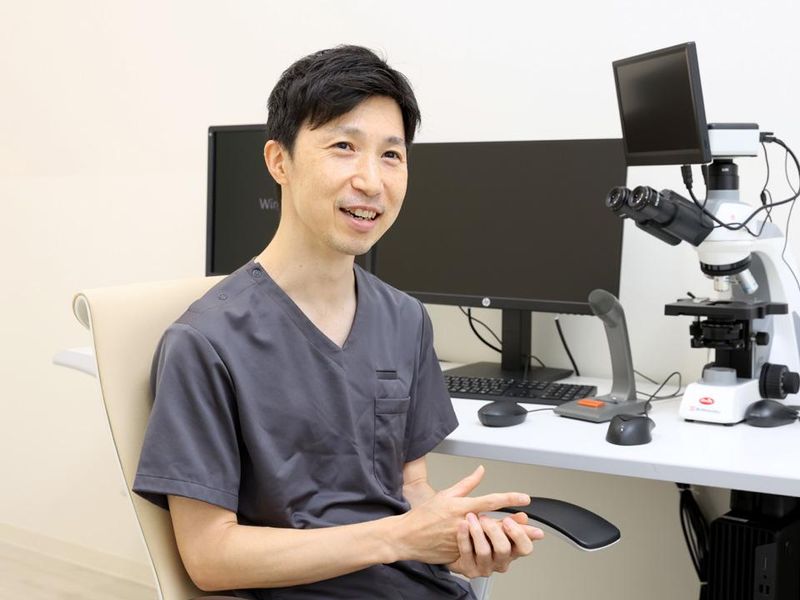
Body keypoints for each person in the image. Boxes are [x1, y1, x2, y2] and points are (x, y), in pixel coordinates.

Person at [133, 45, 543, 599]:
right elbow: (210, 557)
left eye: (391, 155)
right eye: (344, 147)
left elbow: (409, 486)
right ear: (279, 161)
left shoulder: (404, 318)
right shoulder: (205, 342)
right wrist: (398, 538)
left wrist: (458, 537)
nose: (371, 181)